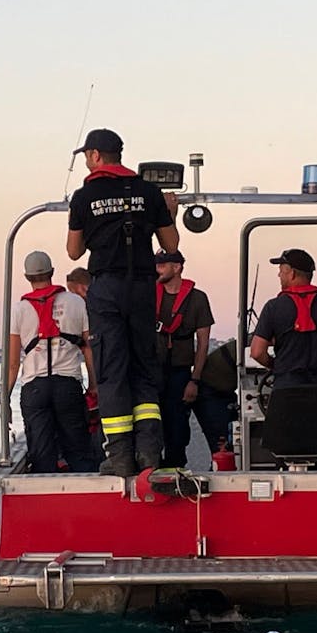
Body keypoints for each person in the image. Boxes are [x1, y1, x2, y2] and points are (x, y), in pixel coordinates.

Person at [65, 128, 180, 476]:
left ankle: (119, 457)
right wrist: (168, 212)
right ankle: (149, 453)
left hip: (107, 288)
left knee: (112, 371)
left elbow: (73, 251)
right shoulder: (149, 192)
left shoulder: (84, 197)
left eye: (87, 155)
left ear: (96, 156)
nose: (86, 160)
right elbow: (171, 243)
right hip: (143, 287)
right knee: (145, 368)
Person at [248, 249, 317, 469]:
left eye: (281, 271)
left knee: (283, 457)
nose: (279, 276)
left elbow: (257, 352)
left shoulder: (273, 307)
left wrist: (275, 365)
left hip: (285, 395)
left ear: (292, 274)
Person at [6, 251, 97, 473]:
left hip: (34, 387)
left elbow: (12, 364)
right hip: (67, 385)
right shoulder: (76, 302)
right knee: (78, 447)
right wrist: (94, 385)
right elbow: (88, 349)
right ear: (52, 273)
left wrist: (5, 397)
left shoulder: (18, 311)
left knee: (41, 450)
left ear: (27, 277)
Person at [152, 250, 214, 468]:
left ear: (176, 267)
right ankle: (151, 467)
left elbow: (203, 342)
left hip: (180, 372)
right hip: (152, 372)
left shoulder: (197, 299)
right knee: (150, 425)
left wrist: (194, 380)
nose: (156, 269)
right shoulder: (149, 295)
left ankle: (175, 467)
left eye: (161, 265)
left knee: (177, 427)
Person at [193, 338, 239, 458]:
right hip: (210, 390)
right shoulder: (260, 342)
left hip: (220, 389)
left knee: (227, 444)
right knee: (222, 447)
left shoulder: (254, 339)